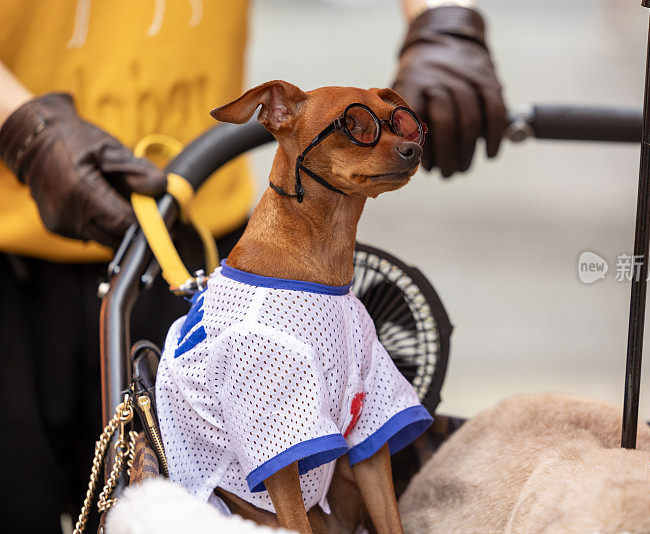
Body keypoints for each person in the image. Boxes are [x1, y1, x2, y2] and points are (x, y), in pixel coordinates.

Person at [0, 0, 505, 531]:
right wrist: (24, 127)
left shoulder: (336, 317)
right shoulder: (252, 327)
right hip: (12, 251)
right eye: (357, 127)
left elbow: (367, 429)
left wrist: (445, 21)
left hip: (195, 229)